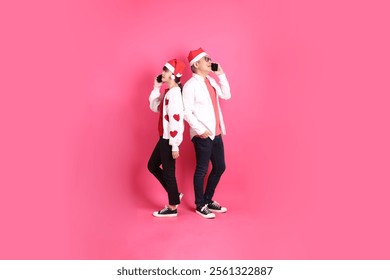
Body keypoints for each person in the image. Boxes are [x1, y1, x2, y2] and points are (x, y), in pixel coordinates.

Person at [182, 48, 231, 219]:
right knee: (202, 169)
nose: (210, 62)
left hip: (217, 133)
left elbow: (227, 95)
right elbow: (186, 111)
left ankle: (208, 199)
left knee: (220, 167)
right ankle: (200, 204)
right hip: (203, 135)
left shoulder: (210, 80)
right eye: (206, 59)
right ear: (196, 64)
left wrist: (221, 75)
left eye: (210, 59)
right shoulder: (190, 86)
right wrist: (199, 130)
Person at [148, 59, 186, 217]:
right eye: (163, 70)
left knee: (169, 172)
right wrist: (156, 88)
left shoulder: (175, 95)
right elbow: (154, 107)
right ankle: (175, 194)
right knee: (152, 166)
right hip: (164, 137)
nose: (162, 73)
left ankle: (172, 207)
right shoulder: (169, 93)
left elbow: (176, 121)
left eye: (166, 71)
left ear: (174, 74)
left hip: (169, 139)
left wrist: (175, 145)